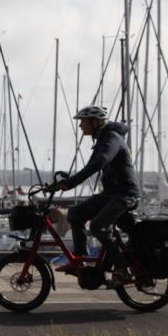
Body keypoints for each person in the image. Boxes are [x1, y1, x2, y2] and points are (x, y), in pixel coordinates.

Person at [47, 106, 140, 282]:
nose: (80, 125)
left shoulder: (112, 139)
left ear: (95, 122)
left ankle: (121, 268)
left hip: (126, 195)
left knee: (97, 226)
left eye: (83, 121)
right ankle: (80, 260)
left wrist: (71, 183)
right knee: (75, 214)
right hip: (112, 195)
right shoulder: (102, 140)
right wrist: (62, 184)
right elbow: (90, 167)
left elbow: (100, 162)